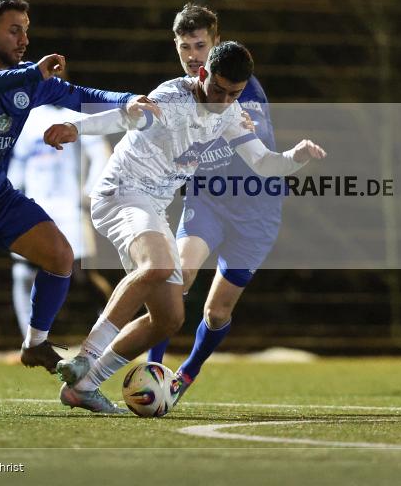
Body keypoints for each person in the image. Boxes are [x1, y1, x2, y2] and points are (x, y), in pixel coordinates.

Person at [43, 41, 326, 413]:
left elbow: (263, 162)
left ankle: (85, 386)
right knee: (157, 266)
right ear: (203, 74)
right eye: (219, 89)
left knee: (169, 318)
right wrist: (74, 127)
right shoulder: (172, 97)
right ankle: (85, 356)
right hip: (121, 193)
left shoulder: (228, 112)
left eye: (234, 94)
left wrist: (296, 157)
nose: (224, 100)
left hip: (153, 207)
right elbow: (127, 117)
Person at [0, 0, 158, 414]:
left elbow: (77, 93)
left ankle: (36, 343)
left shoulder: (26, 77)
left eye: (26, 30)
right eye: (14, 30)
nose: (24, 39)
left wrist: (126, 100)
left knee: (60, 255)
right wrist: (30, 76)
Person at [144, 3, 281, 403]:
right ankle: (153, 370)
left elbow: (259, 154)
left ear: (216, 43)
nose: (192, 55)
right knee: (176, 279)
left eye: (200, 45)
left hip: (256, 212)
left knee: (216, 313)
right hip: (207, 202)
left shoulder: (242, 87)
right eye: (185, 46)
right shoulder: (177, 92)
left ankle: (186, 374)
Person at [7, 104, 114, 338]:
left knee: (82, 275)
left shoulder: (77, 114)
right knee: (23, 272)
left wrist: (89, 193)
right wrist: (11, 198)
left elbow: (101, 155)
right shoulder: (29, 118)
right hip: (35, 206)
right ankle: (30, 341)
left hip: (70, 207)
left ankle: (111, 334)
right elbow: (18, 163)